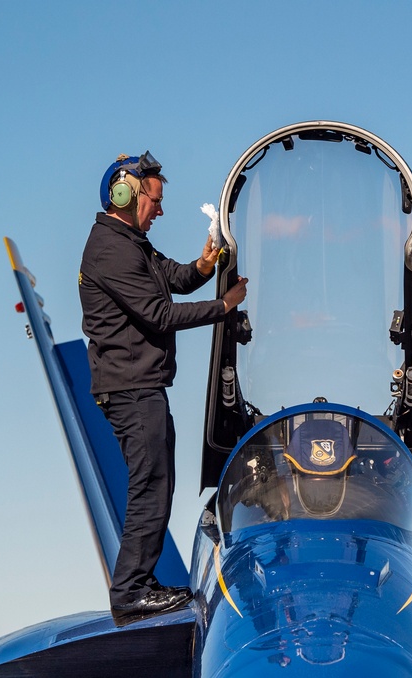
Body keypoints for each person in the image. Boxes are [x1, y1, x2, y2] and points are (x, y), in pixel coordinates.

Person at [79, 151, 248, 626]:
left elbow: (171, 280)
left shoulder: (130, 243)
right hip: (130, 388)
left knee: (157, 483)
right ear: (125, 194)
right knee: (150, 485)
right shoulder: (110, 249)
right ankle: (131, 592)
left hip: (141, 384)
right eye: (155, 199)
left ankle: (140, 584)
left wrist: (202, 264)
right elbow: (158, 314)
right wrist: (223, 306)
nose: (160, 209)